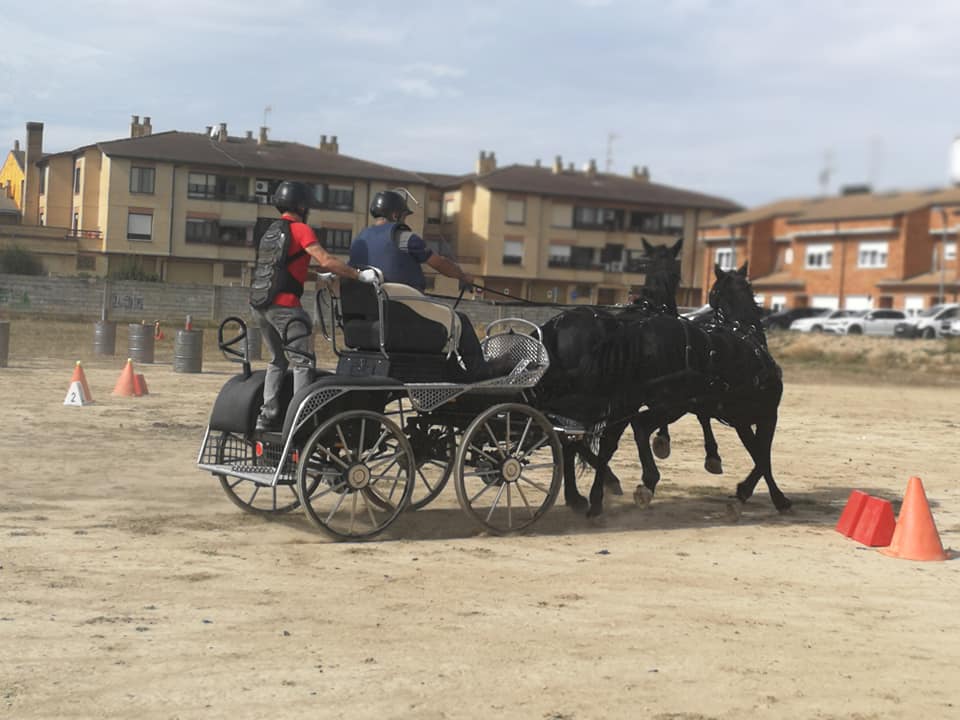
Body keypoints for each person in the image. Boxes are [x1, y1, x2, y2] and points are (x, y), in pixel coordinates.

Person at [252, 180, 376, 430]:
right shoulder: (301, 229)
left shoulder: (271, 230)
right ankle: (302, 418)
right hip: (286, 308)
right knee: (303, 362)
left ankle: (267, 415)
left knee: (277, 360)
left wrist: (318, 277)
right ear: (301, 205)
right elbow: (326, 260)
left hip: (260, 306)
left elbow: (283, 270)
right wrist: (358, 275)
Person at [349, 189, 508, 380]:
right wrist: (462, 276)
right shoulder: (403, 237)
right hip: (403, 314)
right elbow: (439, 263)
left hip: (371, 317)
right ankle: (480, 370)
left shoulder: (359, 241)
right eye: (404, 217)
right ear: (395, 214)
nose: (404, 222)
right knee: (461, 320)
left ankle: (452, 371)